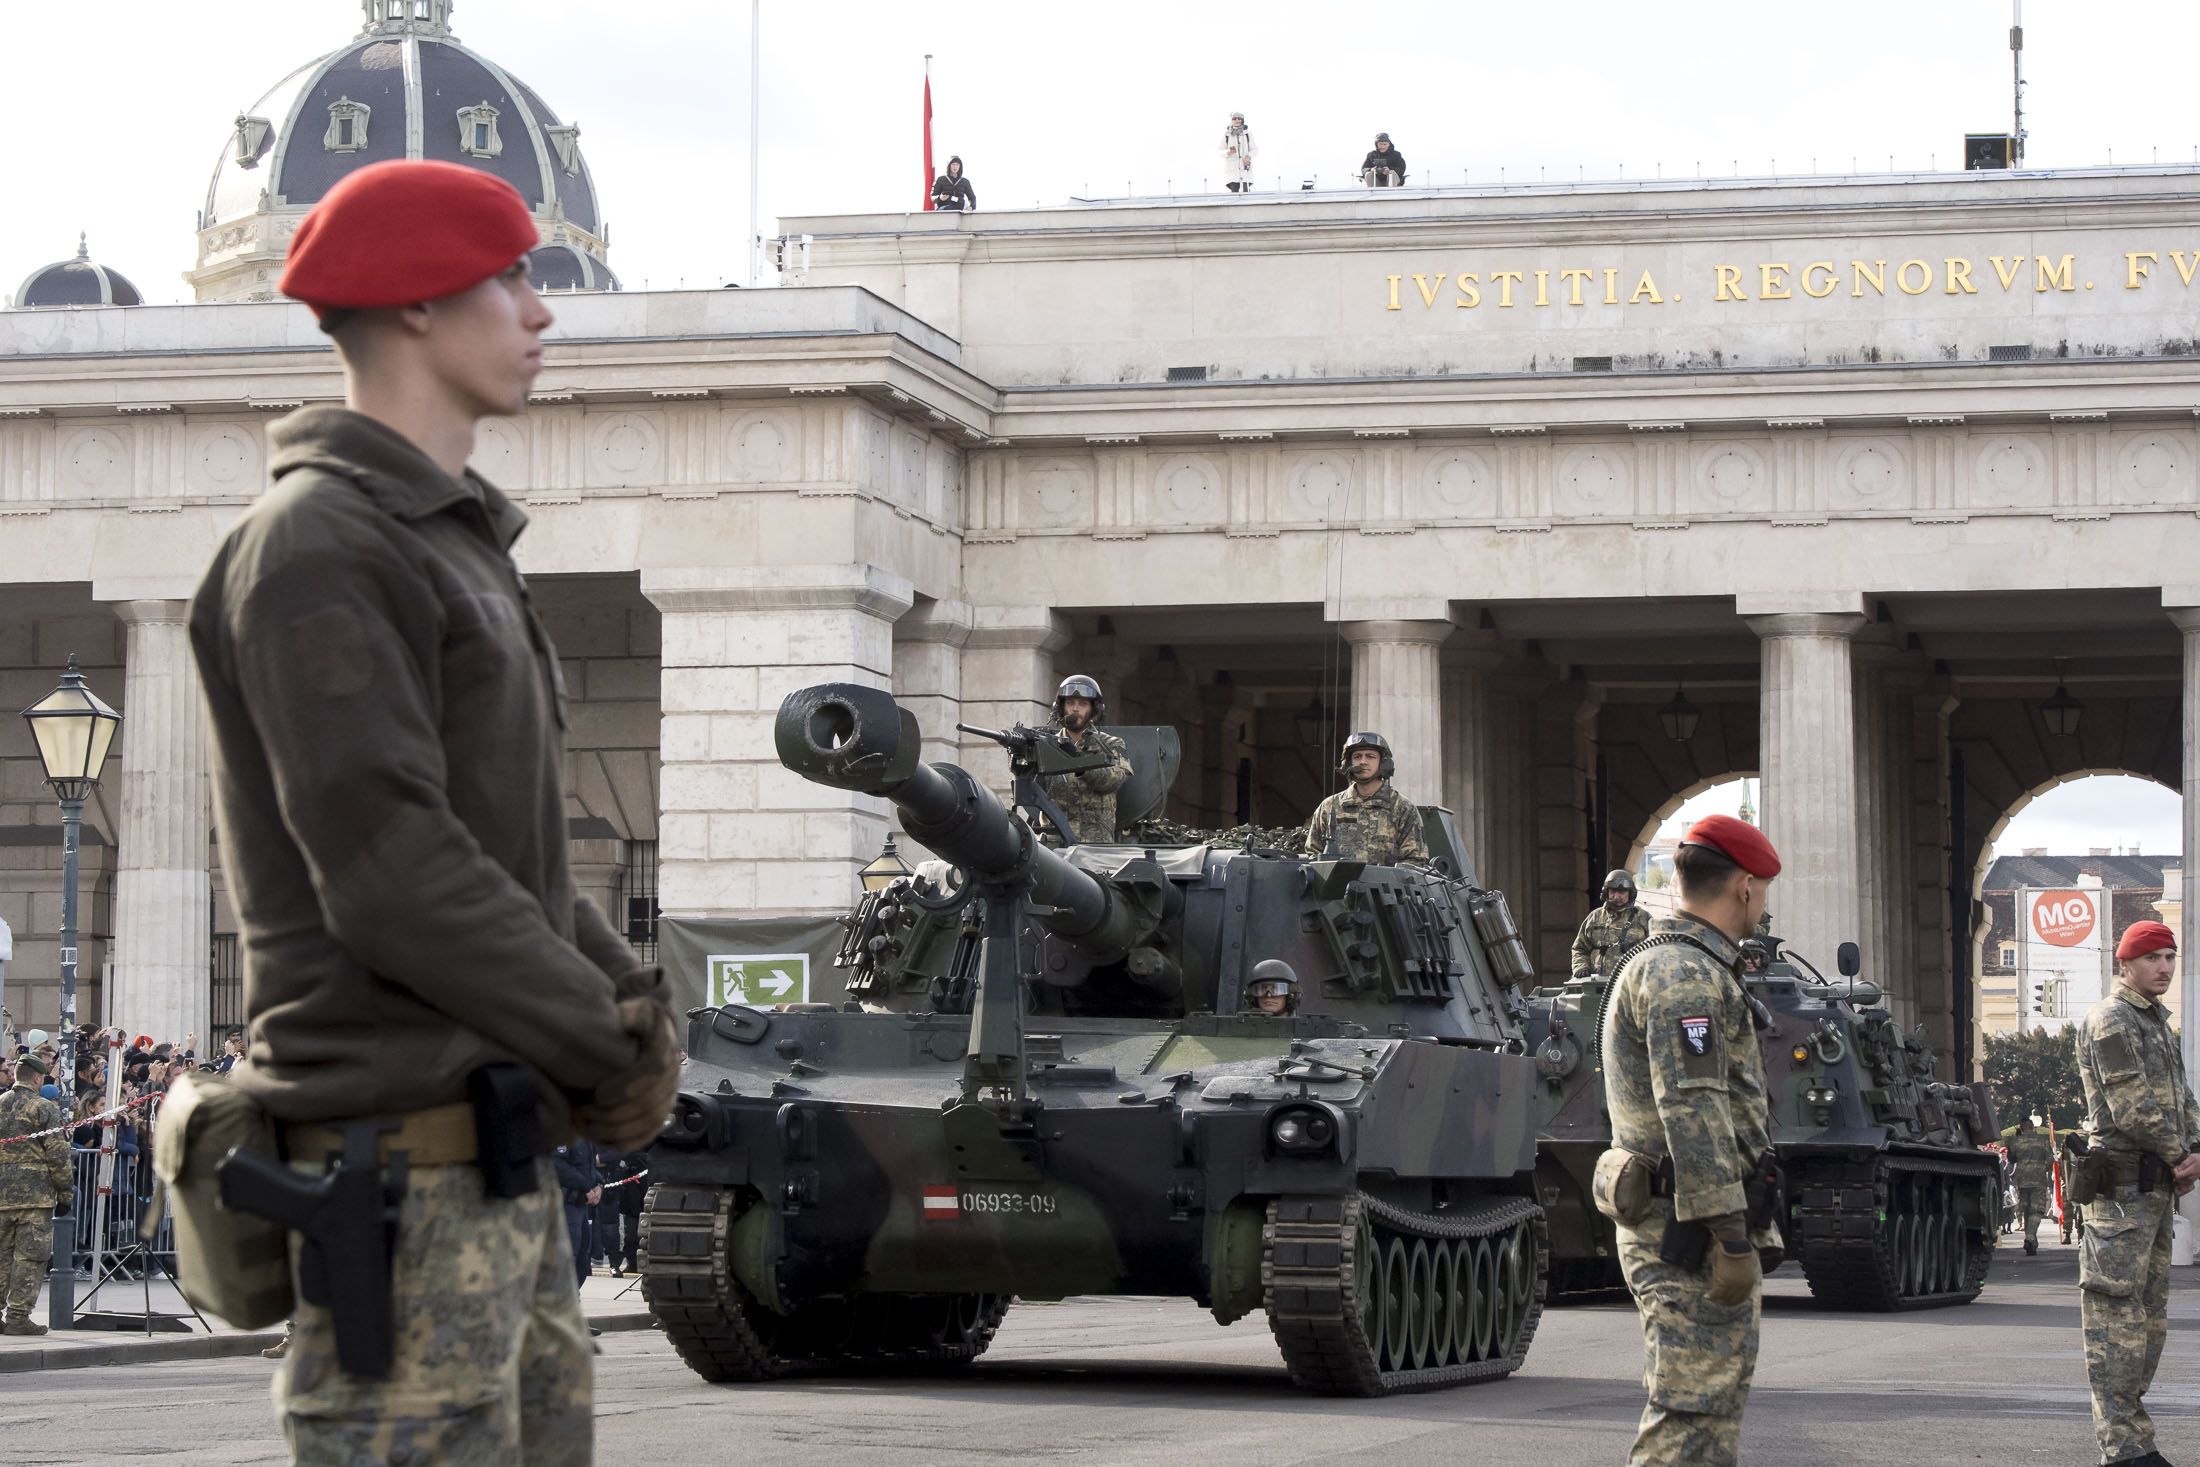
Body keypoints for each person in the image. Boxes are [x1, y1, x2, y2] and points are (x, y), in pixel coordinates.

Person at [186, 159, 681, 1462]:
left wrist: (633, 991)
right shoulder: (317, 546)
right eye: (510, 276)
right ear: (414, 302)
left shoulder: (446, 542)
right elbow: (393, 867)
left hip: (494, 1168)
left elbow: (504, 850)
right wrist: (601, 1036)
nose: (542, 308)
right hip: (393, 1171)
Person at [1600, 814, 1781, 1467]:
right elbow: (1694, 1108)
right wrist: (1731, 1236)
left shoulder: (1675, 962)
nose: (1762, 903)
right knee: (1689, 1417)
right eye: (1762, 889)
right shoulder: (1685, 974)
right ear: (1743, 887)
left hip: (1684, 1224)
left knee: (1706, 1415)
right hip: (1690, 1234)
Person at [2073, 919, 2200, 1467]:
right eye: (2153, 958)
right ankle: (2124, 1448)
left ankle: (2134, 1440)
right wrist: (2181, 1154)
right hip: (2122, 1192)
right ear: (2125, 965)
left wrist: (2196, 1146)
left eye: (2170, 957)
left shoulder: (2157, 1026)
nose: (2165, 967)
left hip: (2153, 1192)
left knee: (2148, 1322)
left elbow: (2182, 1097)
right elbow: (2133, 1108)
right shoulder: (2111, 1021)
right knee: (2115, 1322)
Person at [0, 1054, 71, 1335]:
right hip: (35, 1197)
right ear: (38, 1078)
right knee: (30, 1258)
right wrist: (65, 1193)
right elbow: (58, 1154)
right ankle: (18, 1317)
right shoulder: (43, 1107)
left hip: (1, 1195)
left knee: (1, 1256)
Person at [1301, 732, 1428, 865]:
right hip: (1338, 885)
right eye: (1357, 756)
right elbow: (1314, 855)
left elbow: (1415, 861)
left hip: (1384, 884)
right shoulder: (1329, 806)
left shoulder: (1402, 808)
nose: (1363, 761)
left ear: (1384, 762)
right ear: (1348, 763)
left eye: (1370, 756)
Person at [1038, 674, 1132, 844]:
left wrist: (1079, 762)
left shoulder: (1112, 744)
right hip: (1054, 843)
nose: (1075, 709)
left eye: (1082, 703)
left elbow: (1114, 780)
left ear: (1094, 708)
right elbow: (1034, 788)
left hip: (1095, 844)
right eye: (1070, 703)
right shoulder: (1047, 746)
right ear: (1061, 707)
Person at [1572, 869, 1653, 978]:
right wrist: (1581, 967)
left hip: (1631, 983)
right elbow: (1579, 948)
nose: (1617, 896)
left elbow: (1656, 950)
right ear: (1606, 892)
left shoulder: (1643, 918)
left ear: (1630, 893)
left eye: (1622, 892)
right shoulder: (1594, 917)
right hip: (1597, 985)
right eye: (1613, 891)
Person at [553, 1143, 601, 1290]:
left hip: (581, 1204)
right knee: (567, 1253)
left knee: (582, 1256)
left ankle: (572, 1293)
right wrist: (585, 1186)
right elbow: (557, 1164)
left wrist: (599, 1183)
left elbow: (589, 1165)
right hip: (566, 1202)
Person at [2008, 1115, 2054, 1255]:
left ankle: (2031, 1241)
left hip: (2022, 1179)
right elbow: (2050, 1159)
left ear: (2021, 1128)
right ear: (2032, 1127)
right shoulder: (2042, 1141)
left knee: (2026, 1209)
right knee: (2037, 1209)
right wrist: (2043, 1169)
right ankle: (2030, 1236)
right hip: (2038, 1179)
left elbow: (2011, 1159)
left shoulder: (2017, 1141)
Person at [2060, 1129, 2088, 1245]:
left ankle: (2067, 1233)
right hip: (2085, 1178)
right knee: (2083, 1208)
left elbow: (2064, 1163)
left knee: (2067, 1206)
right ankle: (2081, 1235)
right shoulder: (2091, 1138)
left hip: (2071, 1176)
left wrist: (2064, 1179)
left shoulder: (2069, 1140)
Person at [1220, 112, 1257, 192]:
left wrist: (1249, 156)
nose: (1237, 120)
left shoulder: (1247, 134)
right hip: (1232, 171)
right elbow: (1220, 152)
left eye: (1239, 118)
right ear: (1231, 120)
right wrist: (1228, 152)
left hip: (1245, 169)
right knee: (1234, 194)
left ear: (1242, 120)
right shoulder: (1227, 135)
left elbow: (1255, 149)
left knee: (1245, 191)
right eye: (1234, 118)